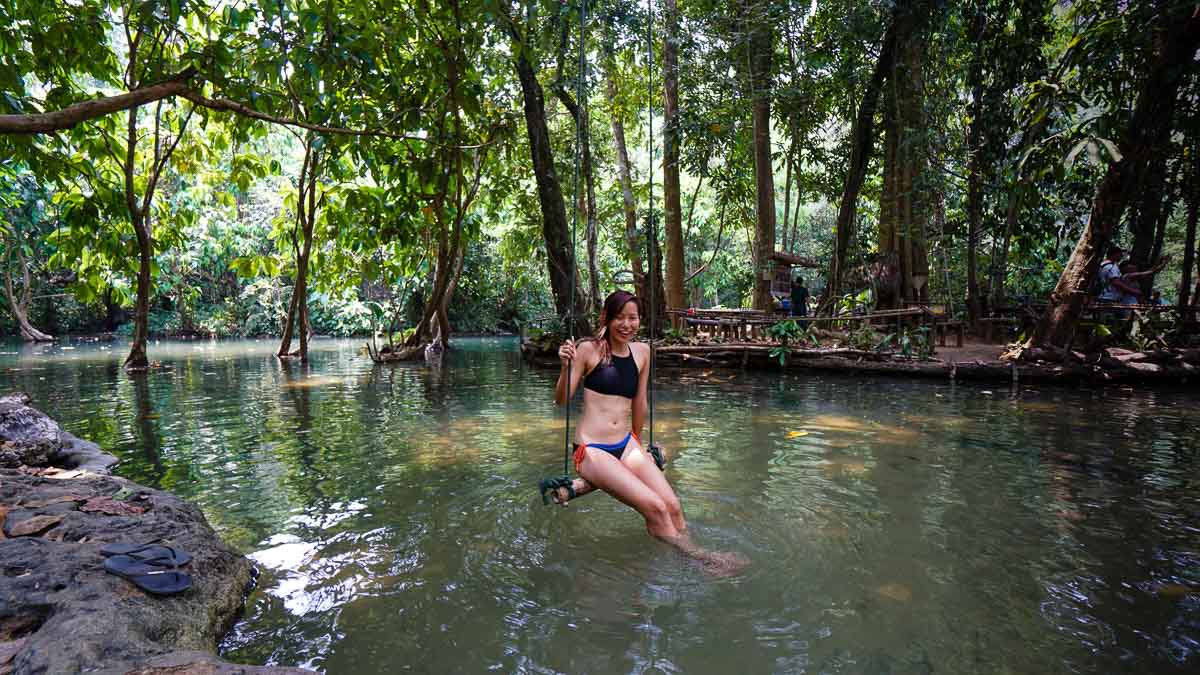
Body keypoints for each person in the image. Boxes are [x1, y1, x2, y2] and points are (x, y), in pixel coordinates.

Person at [554, 289, 746, 575]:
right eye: (620, 318)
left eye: (633, 318)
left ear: (640, 320)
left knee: (672, 504)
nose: (627, 325)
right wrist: (564, 366)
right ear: (607, 318)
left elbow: (640, 402)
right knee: (655, 507)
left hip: (626, 444)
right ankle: (701, 560)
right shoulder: (587, 350)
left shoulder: (642, 352)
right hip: (591, 450)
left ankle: (676, 558)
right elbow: (562, 400)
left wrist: (637, 445)